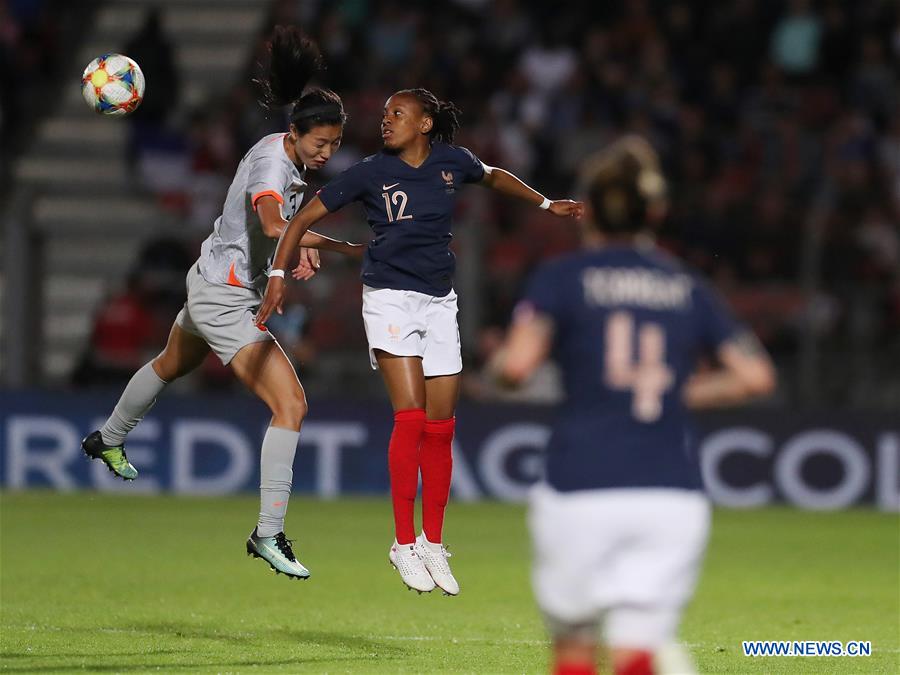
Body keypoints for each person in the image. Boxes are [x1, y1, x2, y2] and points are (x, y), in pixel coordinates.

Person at [254, 88, 584, 595]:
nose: (386, 121)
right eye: (385, 113)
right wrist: (278, 270)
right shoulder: (368, 172)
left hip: (439, 302)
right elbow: (300, 220)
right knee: (409, 416)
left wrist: (544, 203)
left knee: (442, 425)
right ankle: (403, 542)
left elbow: (493, 176)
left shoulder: (453, 162)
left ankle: (433, 541)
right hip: (388, 299)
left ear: (425, 123)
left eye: (398, 114)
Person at [81, 26, 364, 581]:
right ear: (296, 132)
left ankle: (106, 438)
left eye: (333, 145)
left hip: (213, 278)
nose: (326, 153)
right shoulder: (271, 167)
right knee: (291, 406)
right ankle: (268, 532)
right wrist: (338, 247)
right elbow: (273, 221)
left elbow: (276, 231)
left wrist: (291, 256)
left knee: (170, 363)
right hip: (226, 298)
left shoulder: (283, 154)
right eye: (320, 144)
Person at [491, 136, 776, 675]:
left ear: (589, 211)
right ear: (658, 212)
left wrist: (498, 367)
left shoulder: (562, 277)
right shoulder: (685, 283)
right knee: (638, 649)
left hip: (580, 483)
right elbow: (755, 376)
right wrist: (676, 392)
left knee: (575, 643)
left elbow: (514, 368)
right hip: (670, 493)